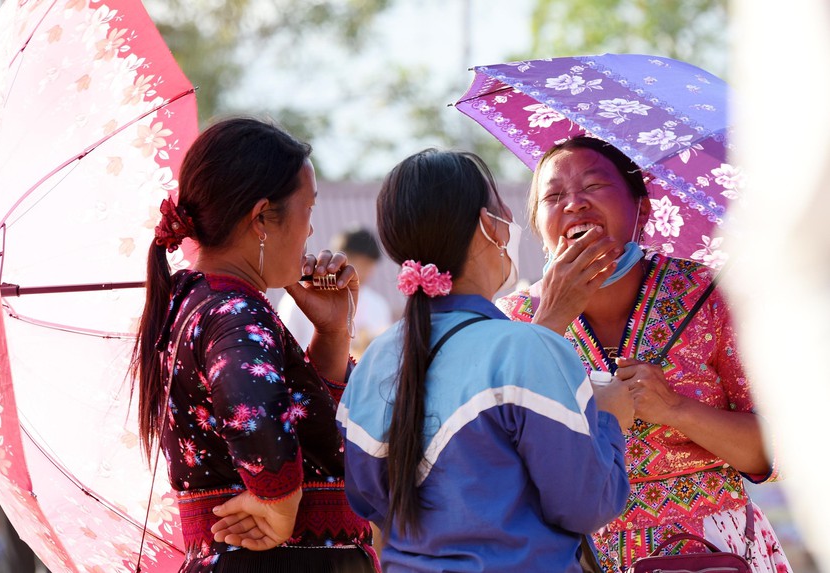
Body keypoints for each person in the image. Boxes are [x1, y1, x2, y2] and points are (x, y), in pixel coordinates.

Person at [496, 135, 792, 573]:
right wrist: (549, 328)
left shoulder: (712, 297)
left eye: (594, 186)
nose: (574, 203)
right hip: (574, 558)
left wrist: (675, 409)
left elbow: (779, 452)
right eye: (553, 196)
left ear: (644, 208)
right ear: (540, 227)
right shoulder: (511, 322)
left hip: (711, 555)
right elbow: (493, 454)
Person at [337, 149, 633, 572]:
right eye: (501, 209)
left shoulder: (374, 360)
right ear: (487, 227)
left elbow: (368, 501)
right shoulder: (527, 349)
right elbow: (586, 504)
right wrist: (610, 419)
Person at [130, 117, 377, 573]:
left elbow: (311, 426)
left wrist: (334, 332)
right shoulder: (234, 310)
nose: (309, 232)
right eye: (308, 210)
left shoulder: (196, 303)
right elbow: (251, 404)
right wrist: (279, 498)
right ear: (262, 217)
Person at [278, 227, 392, 360]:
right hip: (306, 376)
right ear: (340, 258)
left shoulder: (378, 304)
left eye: (369, 265)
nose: (364, 271)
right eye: (359, 263)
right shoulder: (297, 298)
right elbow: (284, 347)